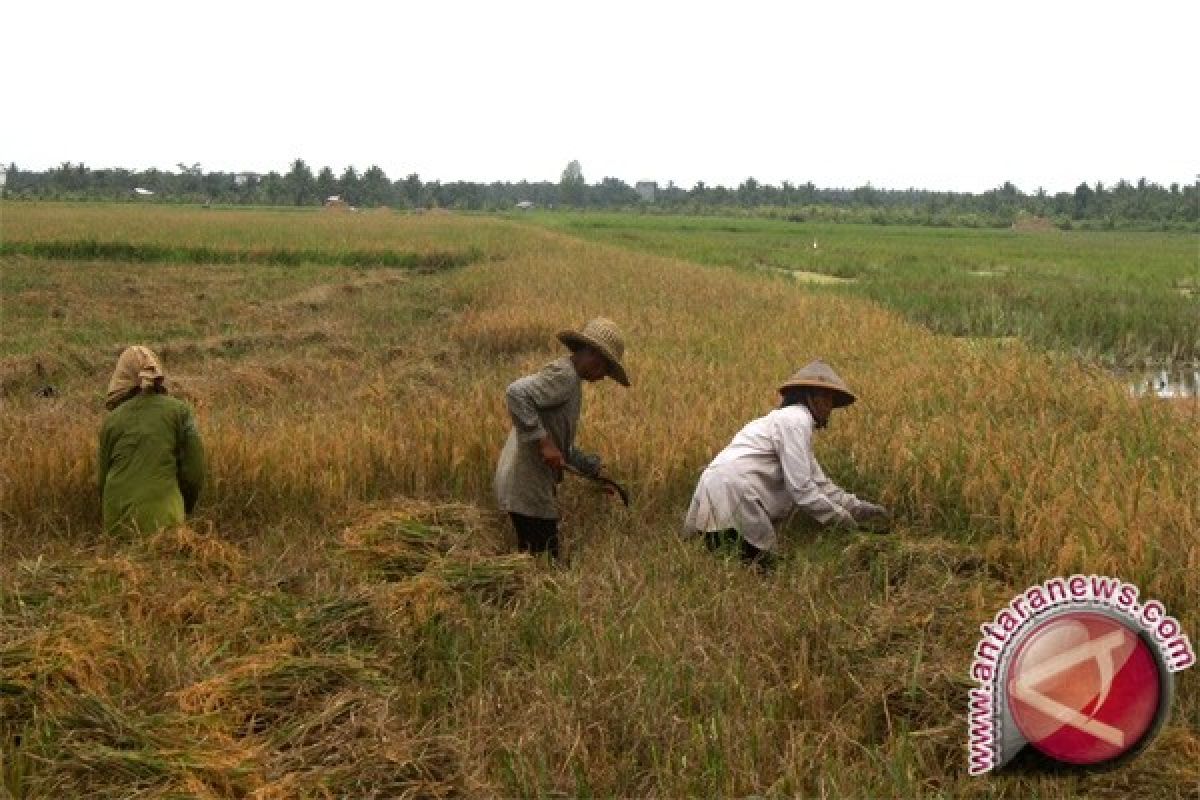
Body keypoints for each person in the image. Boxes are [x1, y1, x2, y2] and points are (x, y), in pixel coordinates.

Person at [683, 359, 889, 567]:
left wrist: (863, 509)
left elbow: (821, 484)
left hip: (717, 490)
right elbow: (802, 490)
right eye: (827, 399)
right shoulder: (796, 421)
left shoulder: (787, 423)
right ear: (811, 397)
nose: (829, 408)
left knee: (729, 567)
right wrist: (845, 521)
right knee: (764, 570)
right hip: (734, 493)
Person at [494, 318, 630, 559]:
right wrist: (543, 442)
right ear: (594, 356)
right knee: (544, 564)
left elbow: (561, 445)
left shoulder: (571, 379)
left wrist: (593, 470)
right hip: (527, 485)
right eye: (605, 370)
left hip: (528, 482)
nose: (603, 377)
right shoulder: (565, 376)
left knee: (536, 560)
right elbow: (515, 393)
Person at [97, 345, 205, 535]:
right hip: (165, 522)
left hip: (117, 523)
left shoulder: (112, 421)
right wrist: (183, 505)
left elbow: (102, 479)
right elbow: (194, 473)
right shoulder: (179, 412)